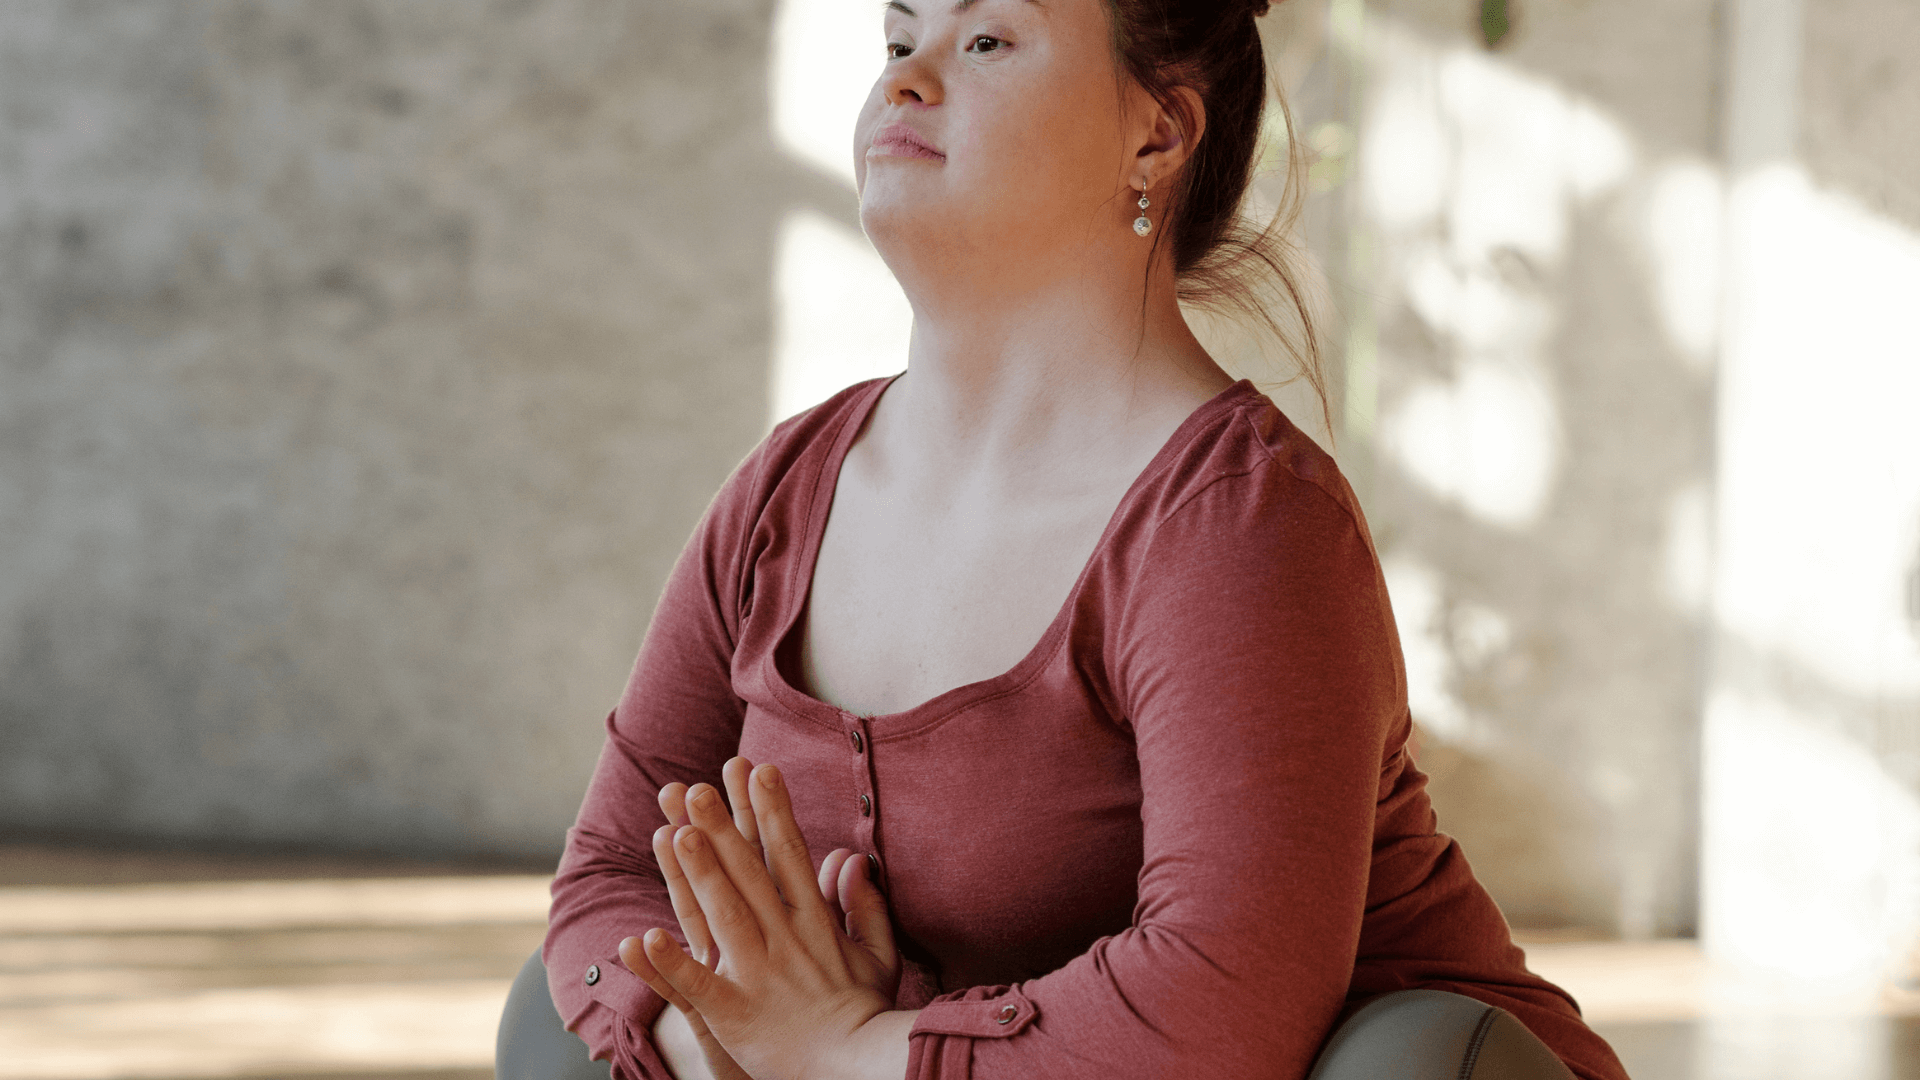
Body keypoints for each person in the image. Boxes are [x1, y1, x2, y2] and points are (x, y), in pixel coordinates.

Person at [498, 0, 1632, 1076]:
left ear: (1157, 133)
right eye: (899, 36)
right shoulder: (785, 489)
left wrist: (845, 1051)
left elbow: (1218, 1002)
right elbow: (605, 877)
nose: (909, 73)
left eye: (988, 39)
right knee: (561, 1021)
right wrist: (723, 1040)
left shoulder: (1243, 522)